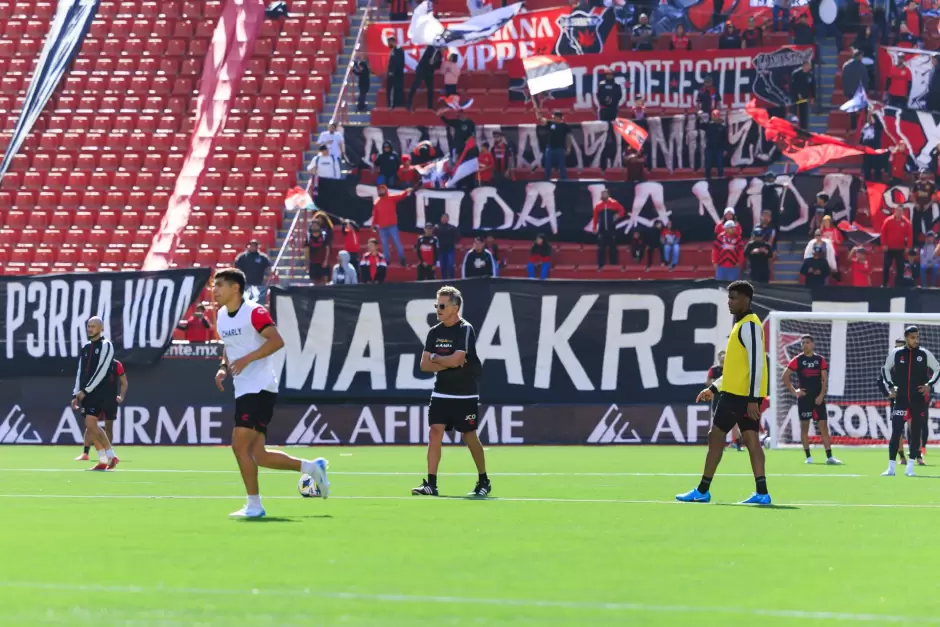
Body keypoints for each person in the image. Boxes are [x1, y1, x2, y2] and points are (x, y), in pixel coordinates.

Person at [213, 268, 329, 518]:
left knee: (238, 446)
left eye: (220, 285)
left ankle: (254, 505)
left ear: (236, 288)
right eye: (214, 285)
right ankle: (312, 467)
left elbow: (276, 341)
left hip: (260, 387)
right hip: (243, 388)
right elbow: (229, 346)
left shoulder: (254, 311)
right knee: (259, 455)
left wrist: (246, 360)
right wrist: (224, 367)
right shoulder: (221, 315)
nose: (215, 290)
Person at [679, 281, 771, 504]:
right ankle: (762, 493)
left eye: (734, 298)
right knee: (751, 440)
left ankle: (702, 490)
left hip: (739, 396)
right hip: (738, 393)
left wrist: (752, 399)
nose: (729, 302)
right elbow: (734, 369)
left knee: (716, 435)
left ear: (746, 300)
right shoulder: (742, 325)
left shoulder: (749, 325)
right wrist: (713, 388)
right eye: (729, 298)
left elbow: (757, 363)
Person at [412, 285, 489, 497]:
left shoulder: (465, 329)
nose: (438, 308)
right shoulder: (434, 332)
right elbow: (424, 365)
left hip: (465, 392)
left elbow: (458, 358)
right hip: (441, 392)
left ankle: (484, 480)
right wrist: (446, 362)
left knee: (469, 435)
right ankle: (431, 484)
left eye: (442, 305)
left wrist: (438, 359)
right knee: (435, 432)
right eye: (437, 304)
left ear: (455, 307)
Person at [882, 325, 940, 477]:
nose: (916, 340)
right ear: (906, 338)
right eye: (913, 337)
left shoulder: (924, 354)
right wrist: (891, 386)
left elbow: (938, 368)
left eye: (917, 337)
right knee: (896, 432)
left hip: (917, 400)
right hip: (900, 400)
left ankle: (910, 468)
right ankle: (891, 468)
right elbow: (885, 369)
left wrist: (929, 385)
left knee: (915, 433)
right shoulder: (896, 353)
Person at [783, 335, 842, 465]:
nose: (804, 345)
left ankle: (829, 457)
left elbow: (824, 380)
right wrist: (794, 391)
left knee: (823, 427)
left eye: (807, 342)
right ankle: (808, 457)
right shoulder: (797, 360)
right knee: (805, 428)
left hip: (818, 399)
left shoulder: (820, 360)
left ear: (813, 344)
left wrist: (821, 395)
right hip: (804, 399)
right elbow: (785, 376)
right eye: (802, 343)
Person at [70, 316, 120, 471]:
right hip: (85, 393)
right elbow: (80, 371)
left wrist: (86, 390)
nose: (89, 329)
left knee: (90, 424)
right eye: (88, 326)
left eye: (93, 326)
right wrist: (75, 393)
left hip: (98, 391)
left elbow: (102, 370)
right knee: (90, 426)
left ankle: (111, 456)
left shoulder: (106, 345)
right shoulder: (85, 347)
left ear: (101, 328)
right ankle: (103, 460)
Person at [75, 358, 126, 462]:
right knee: (90, 425)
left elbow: (124, 382)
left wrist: (121, 396)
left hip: (110, 400)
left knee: (108, 426)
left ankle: (108, 454)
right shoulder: (94, 362)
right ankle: (86, 453)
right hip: (95, 398)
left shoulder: (116, 364)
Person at [880, 338, 910, 470]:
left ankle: (918, 456)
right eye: (896, 347)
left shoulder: (914, 363)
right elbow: (879, 380)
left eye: (900, 347)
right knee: (898, 430)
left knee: (915, 428)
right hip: (897, 401)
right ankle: (902, 457)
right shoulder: (890, 364)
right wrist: (888, 394)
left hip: (913, 400)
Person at [706, 351, 741, 451]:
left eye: (724, 354)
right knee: (717, 424)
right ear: (718, 357)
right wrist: (715, 383)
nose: (723, 356)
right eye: (721, 355)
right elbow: (707, 383)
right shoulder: (713, 370)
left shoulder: (731, 369)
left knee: (733, 423)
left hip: (730, 398)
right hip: (717, 399)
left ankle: (738, 445)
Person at [371, 184, 411, 266]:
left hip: (392, 226)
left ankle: (402, 258)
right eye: (379, 190)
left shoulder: (391, 198)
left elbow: (400, 196)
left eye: (382, 189)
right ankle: (387, 260)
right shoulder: (377, 202)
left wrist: (406, 191)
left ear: (385, 190)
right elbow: (375, 215)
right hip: (382, 228)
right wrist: (373, 224)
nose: (380, 191)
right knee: (385, 245)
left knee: (397, 242)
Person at [881, 205, 913, 286]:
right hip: (889, 248)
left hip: (900, 248)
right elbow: (883, 233)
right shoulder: (888, 220)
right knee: (886, 265)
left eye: (900, 211)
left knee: (900, 267)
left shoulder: (906, 222)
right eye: (897, 210)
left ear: (903, 212)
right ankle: (885, 284)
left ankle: (898, 285)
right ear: (895, 210)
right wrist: (884, 244)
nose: (899, 212)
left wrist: (908, 247)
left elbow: (910, 235)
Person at [592, 189, 624, 269]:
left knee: (612, 248)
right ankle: (600, 265)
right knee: (601, 248)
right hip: (602, 230)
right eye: (602, 194)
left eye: (605, 194)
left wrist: (618, 215)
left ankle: (614, 266)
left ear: (608, 195)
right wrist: (594, 227)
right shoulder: (598, 205)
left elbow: (622, 210)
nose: (603, 195)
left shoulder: (614, 203)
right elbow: (595, 217)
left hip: (611, 229)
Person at [537, 110, 571, 181]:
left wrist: (569, 148)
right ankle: (546, 180)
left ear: (559, 118)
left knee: (562, 166)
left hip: (560, 149)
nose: (553, 118)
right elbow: (541, 119)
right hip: (550, 149)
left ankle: (564, 181)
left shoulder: (565, 126)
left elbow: (568, 137)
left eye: (554, 117)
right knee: (548, 166)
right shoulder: (551, 124)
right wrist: (537, 111)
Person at [841, 49, 870, 130]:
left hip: (849, 91)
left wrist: (846, 91)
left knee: (853, 110)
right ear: (859, 56)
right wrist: (866, 91)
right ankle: (864, 126)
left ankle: (853, 127)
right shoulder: (862, 66)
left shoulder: (846, 65)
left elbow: (843, 79)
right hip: (859, 92)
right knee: (865, 108)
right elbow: (865, 80)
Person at [407, 45, 441, 111]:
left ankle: (430, 106)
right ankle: (408, 103)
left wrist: (434, 63)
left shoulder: (439, 55)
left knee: (430, 89)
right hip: (421, 69)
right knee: (415, 85)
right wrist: (431, 60)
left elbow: (438, 66)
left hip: (429, 72)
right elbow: (426, 58)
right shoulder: (430, 48)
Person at [700, 109, 727, 179]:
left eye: (716, 115)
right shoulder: (708, 125)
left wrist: (725, 149)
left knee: (720, 164)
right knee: (708, 164)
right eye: (713, 115)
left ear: (718, 116)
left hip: (719, 148)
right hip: (709, 147)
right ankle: (707, 178)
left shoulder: (722, 127)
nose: (715, 117)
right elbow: (700, 125)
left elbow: (725, 139)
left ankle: (720, 178)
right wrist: (700, 116)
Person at [789, 60, 815, 130]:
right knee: (794, 112)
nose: (809, 67)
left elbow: (812, 86)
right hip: (796, 98)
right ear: (804, 65)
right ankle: (792, 127)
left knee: (804, 112)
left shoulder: (810, 74)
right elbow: (793, 85)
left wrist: (812, 97)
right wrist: (797, 93)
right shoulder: (796, 74)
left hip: (804, 97)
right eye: (808, 65)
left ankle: (804, 129)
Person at [304, 219, 332, 285]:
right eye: (313, 226)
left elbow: (327, 249)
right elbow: (306, 251)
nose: (314, 227)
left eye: (316, 225)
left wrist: (326, 260)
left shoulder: (324, 236)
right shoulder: (308, 237)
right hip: (313, 263)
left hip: (323, 263)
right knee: (315, 281)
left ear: (319, 226)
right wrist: (306, 264)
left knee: (325, 280)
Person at [435, 212, 459, 279]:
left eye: (446, 218)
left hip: (450, 249)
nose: (444, 219)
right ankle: (444, 279)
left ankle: (452, 279)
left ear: (448, 219)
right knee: (443, 266)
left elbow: (458, 236)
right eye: (443, 217)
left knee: (450, 265)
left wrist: (453, 242)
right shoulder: (437, 227)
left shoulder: (452, 227)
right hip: (441, 250)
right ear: (441, 219)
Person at [385, 36, 405, 109]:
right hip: (391, 74)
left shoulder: (399, 50)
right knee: (389, 90)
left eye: (389, 42)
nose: (388, 44)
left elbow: (400, 63)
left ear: (393, 42)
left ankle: (397, 105)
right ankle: (390, 104)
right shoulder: (392, 51)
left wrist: (393, 71)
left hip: (397, 74)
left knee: (397, 90)